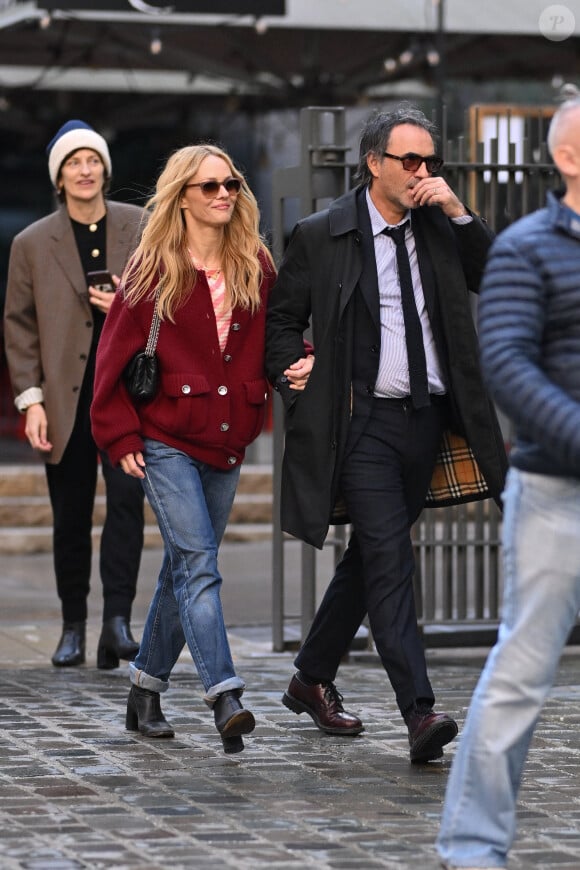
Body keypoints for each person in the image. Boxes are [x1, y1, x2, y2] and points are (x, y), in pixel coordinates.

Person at [265, 103, 507, 763]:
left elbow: (496, 275)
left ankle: (310, 677)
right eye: (410, 161)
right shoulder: (322, 234)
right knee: (392, 561)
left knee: (372, 556)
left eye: (430, 161)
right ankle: (419, 711)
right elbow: (281, 323)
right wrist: (296, 372)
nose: (421, 172)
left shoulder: (437, 225)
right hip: (361, 423)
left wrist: (458, 210)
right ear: (374, 163)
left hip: (427, 421)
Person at [91, 143, 289, 754]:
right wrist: (120, 433)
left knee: (184, 567)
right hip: (165, 438)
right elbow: (110, 363)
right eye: (209, 186)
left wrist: (292, 368)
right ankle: (224, 694)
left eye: (230, 183)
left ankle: (144, 689)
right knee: (201, 564)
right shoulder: (154, 271)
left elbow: (275, 339)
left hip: (229, 440)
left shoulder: (256, 263)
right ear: (182, 196)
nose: (225, 194)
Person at [436, 97, 580, 869]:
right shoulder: (529, 248)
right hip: (558, 496)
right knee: (522, 675)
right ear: (568, 158)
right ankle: (471, 849)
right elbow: (510, 370)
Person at [4, 119, 145, 669]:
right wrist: (30, 400)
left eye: (92, 161)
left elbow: (172, 294)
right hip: (64, 402)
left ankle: (117, 623)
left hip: (128, 396)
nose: (84, 171)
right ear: (57, 177)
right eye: (72, 163)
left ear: (105, 169)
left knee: (128, 508)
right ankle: (72, 626)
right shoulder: (32, 242)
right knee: (71, 514)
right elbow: (18, 327)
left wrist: (127, 308)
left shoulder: (141, 226)